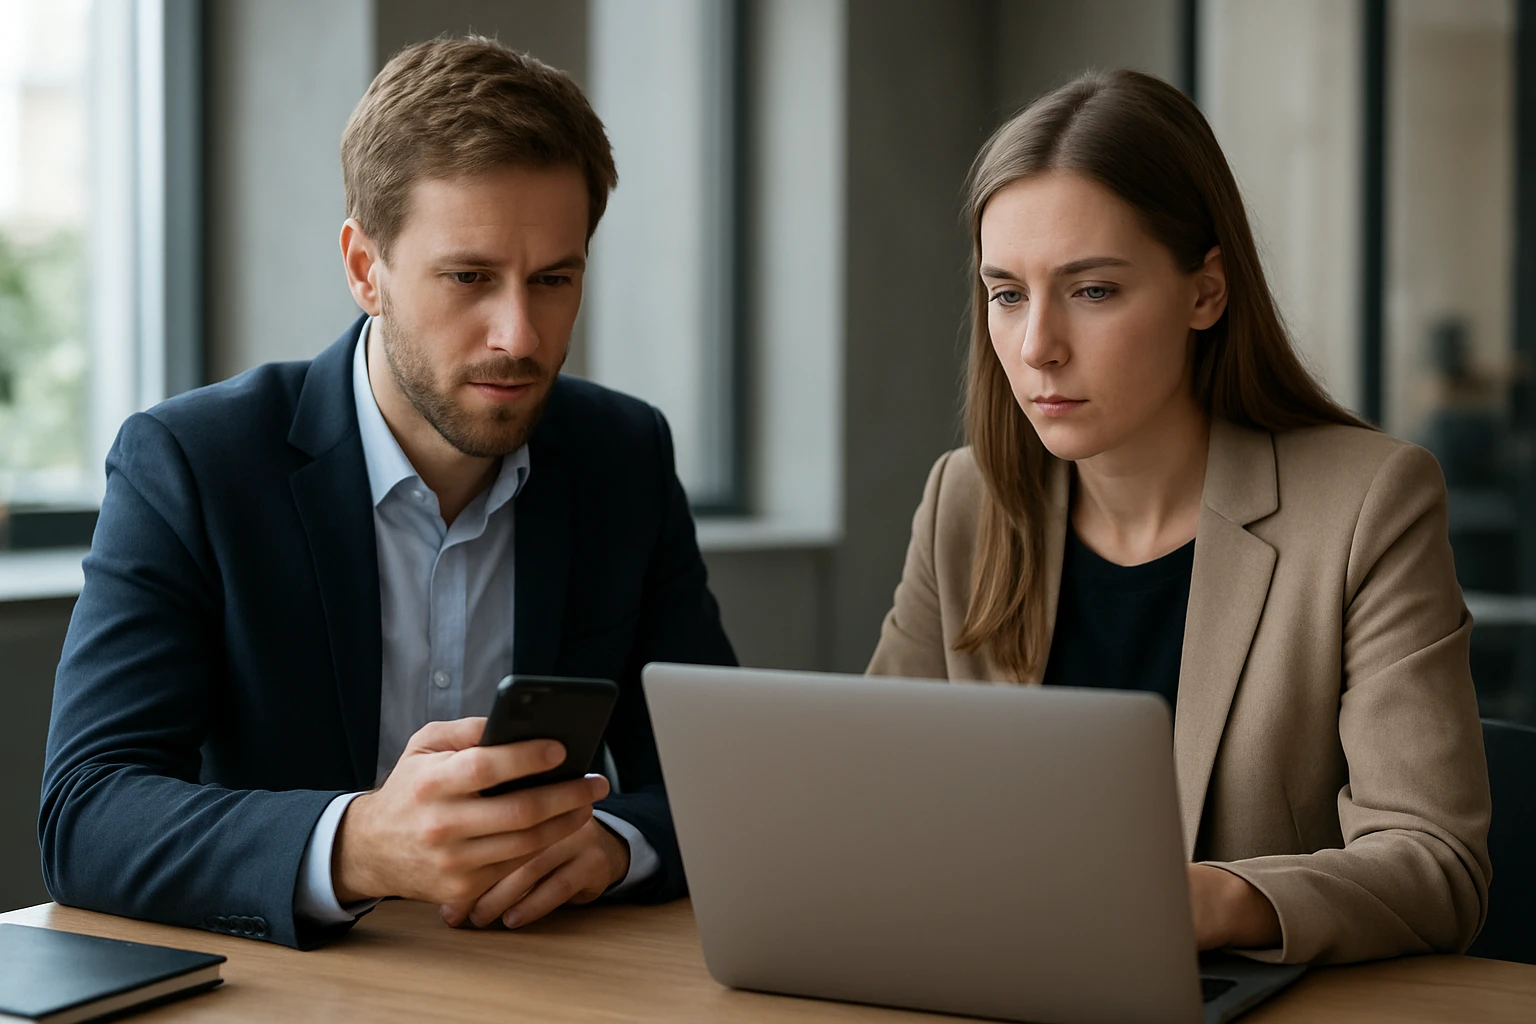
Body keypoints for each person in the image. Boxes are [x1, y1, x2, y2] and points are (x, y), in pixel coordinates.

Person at [39, 37, 735, 950]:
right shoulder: (193, 464)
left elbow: (720, 782)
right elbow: (88, 814)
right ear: (366, 268)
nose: (519, 335)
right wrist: (358, 845)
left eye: (555, 280)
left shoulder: (621, 456)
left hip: (547, 983)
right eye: (469, 278)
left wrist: (614, 844)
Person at [868, 69, 1491, 966]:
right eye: (1007, 293)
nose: (1037, 343)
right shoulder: (965, 499)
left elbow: (1439, 867)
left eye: (1092, 291)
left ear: (1206, 292)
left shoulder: (1369, 505)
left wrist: (1218, 899)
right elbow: (876, 800)